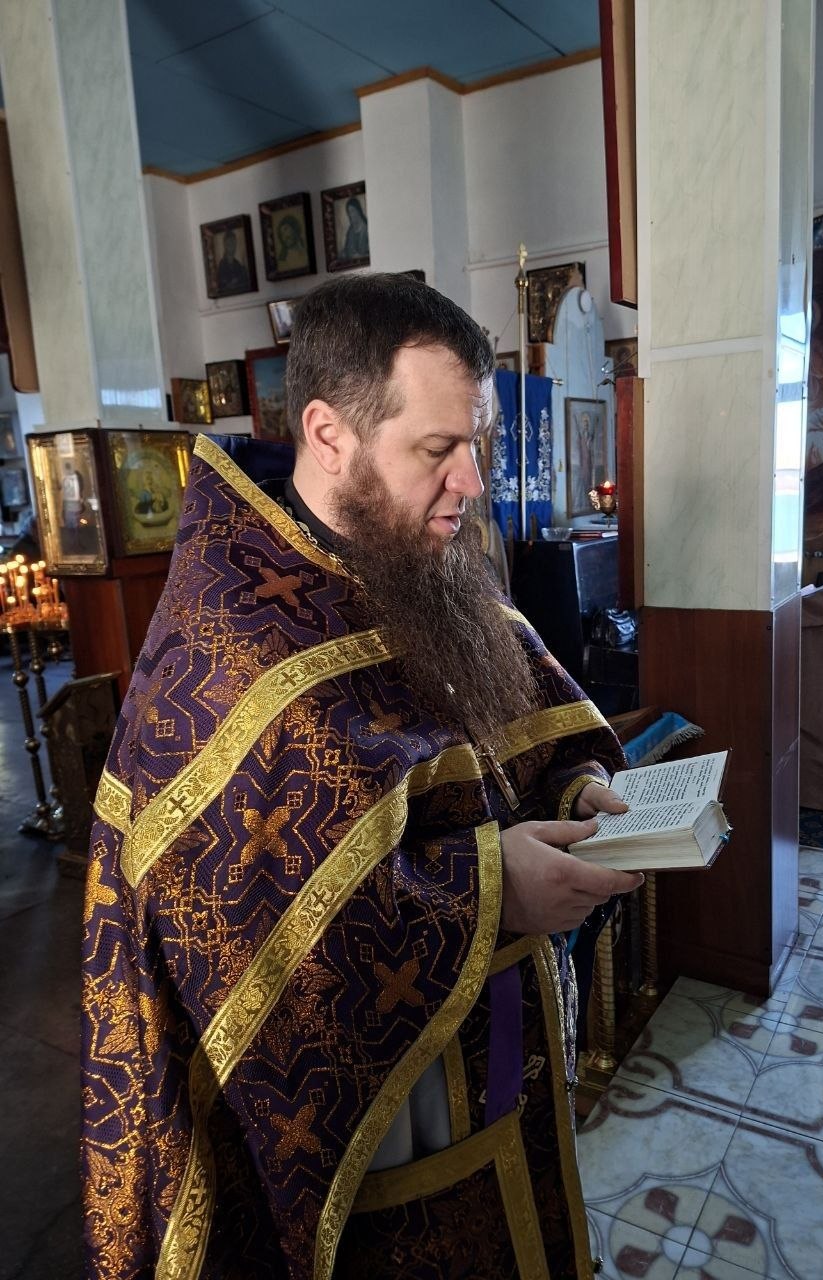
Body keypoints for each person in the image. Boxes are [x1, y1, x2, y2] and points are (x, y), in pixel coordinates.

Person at [81, 273, 642, 1279]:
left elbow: (525, 724)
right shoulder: (229, 643)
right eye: (438, 449)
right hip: (370, 1116)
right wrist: (493, 886)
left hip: (499, 1044)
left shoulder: (419, 556)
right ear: (328, 434)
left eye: (476, 445)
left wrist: (571, 789)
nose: (470, 482)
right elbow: (236, 928)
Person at [216, 228, 250, 293]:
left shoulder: (237, 264)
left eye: (234, 243)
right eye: (230, 244)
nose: (233, 246)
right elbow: (222, 285)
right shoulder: (222, 264)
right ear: (225, 246)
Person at [341, 196, 369, 260]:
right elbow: (347, 249)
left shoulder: (366, 228)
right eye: (349, 212)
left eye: (353, 211)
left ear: (358, 210)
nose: (351, 215)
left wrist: (360, 256)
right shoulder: (350, 230)